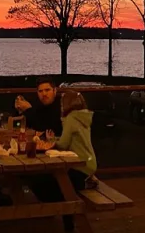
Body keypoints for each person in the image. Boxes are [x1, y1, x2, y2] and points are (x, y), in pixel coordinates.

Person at [29, 91, 97, 232]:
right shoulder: (83, 116)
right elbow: (70, 140)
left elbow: (64, 144)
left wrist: (50, 142)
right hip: (89, 163)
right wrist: (55, 140)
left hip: (79, 166)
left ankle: (65, 221)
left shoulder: (71, 118)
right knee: (64, 188)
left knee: (56, 188)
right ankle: (68, 226)